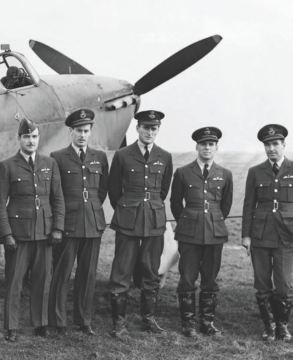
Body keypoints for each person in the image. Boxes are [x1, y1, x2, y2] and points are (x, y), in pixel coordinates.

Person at [0, 118, 65, 341]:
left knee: (43, 280)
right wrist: (6, 234)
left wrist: (57, 228)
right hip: (19, 234)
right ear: (19, 139)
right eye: (27, 137)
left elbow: (58, 199)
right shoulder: (7, 166)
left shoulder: (49, 163)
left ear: (38, 138)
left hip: (44, 233)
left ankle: (40, 323)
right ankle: (11, 327)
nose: (31, 141)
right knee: (14, 282)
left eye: (34, 137)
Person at [108, 110, 173, 336]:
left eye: (153, 128)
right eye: (145, 127)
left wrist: (149, 206)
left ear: (158, 130)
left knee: (150, 270)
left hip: (154, 220)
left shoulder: (165, 156)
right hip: (128, 220)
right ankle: (118, 322)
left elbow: (162, 191)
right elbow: (114, 190)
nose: (149, 132)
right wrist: (128, 208)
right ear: (137, 128)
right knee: (121, 270)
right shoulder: (123, 155)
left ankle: (148, 319)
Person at [48, 109, 108, 336]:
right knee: (62, 273)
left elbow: (101, 191)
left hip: (92, 222)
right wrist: (59, 223)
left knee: (88, 274)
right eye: (78, 131)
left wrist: (90, 208)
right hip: (68, 223)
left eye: (86, 131)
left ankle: (84, 320)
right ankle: (58, 320)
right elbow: (55, 193)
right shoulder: (58, 157)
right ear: (70, 131)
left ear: (91, 132)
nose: (82, 135)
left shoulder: (99, 157)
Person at [170, 127, 233, 337]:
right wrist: (188, 221)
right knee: (187, 277)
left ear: (216, 148)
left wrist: (213, 220)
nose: (207, 148)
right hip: (189, 232)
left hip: (215, 232)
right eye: (203, 144)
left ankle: (207, 322)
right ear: (197, 146)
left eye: (211, 145)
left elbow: (225, 205)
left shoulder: (225, 174)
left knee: (210, 278)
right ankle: (187, 323)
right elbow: (175, 203)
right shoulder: (183, 172)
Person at [242, 124, 293, 342]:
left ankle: (283, 326)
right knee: (262, 282)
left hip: (285, 235)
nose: (271, 148)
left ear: (284, 144)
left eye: (275, 143)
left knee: (283, 284)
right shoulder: (255, 171)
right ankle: (269, 325)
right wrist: (246, 236)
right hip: (260, 234)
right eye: (267, 144)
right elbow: (249, 205)